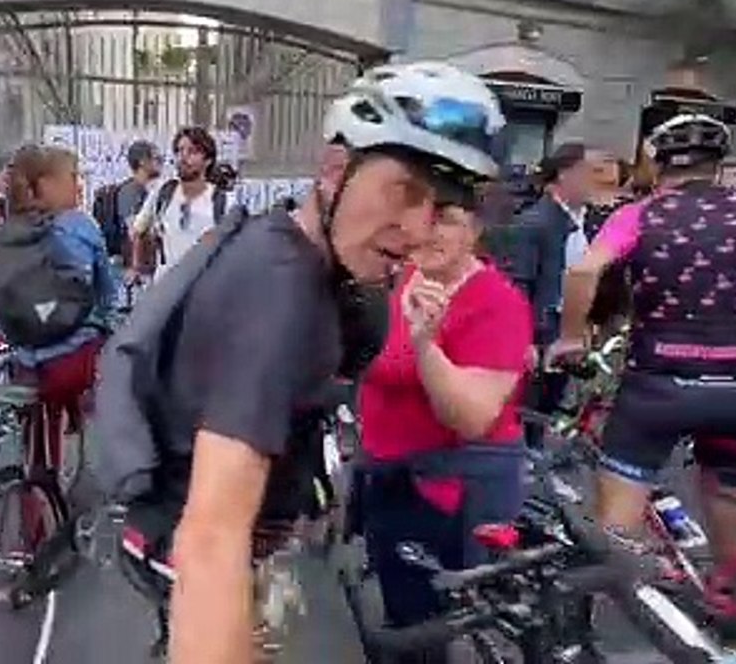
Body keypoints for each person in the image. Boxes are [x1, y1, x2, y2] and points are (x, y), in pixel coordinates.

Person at [117, 62, 506, 664]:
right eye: (404, 191)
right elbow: (212, 540)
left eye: (440, 208)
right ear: (333, 170)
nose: (416, 230)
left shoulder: (319, 262)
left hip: (224, 530)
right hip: (197, 543)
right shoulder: (282, 292)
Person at [552, 113, 736, 651]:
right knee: (728, 489)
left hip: (658, 380)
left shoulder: (640, 214)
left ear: (657, 162)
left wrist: (570, 339)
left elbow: (584, 272)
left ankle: (591, 628)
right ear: (719, 164)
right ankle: (731, 611)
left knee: (615, 528)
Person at [359, 187, 534, 662]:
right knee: (404, 612)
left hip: (454, 488)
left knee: (433, 626)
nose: (429, 231)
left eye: (448, 220)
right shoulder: (407, 276)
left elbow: (473, 417)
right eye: (422, 217)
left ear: (476, 231)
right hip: (392, 474)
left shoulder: (497, 303)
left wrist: (426, 346)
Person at [5, 146, 117, 469]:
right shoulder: (80, 225)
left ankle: (32, 495)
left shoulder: (13, 225)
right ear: (50, 183)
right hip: (70, 359)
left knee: (38, 432)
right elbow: (105, 293)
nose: (79, 184)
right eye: (73, 177)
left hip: (24, 357)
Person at [508, 143, 597, 447]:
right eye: (588, 173)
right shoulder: (537, 222)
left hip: (567, 322)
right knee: (533, 401)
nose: (593, 182)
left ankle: (537, 458)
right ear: (564, 175)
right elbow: (521, 281)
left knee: (551, 398)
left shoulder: (583, 219)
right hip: (545, 325)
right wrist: (525, 337)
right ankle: (527, 462)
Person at [130, 127, 230, 279]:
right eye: (179, 151)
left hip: (204, 292)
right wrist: (137, 268)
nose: (183, 157)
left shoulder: (222, 202)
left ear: (208, 160)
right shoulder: (163, 192)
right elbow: (138, 230)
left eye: (192, 152)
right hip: (165, 292)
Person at [93, 139, 160, 271]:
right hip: (130, 269)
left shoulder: (143, 191)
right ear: (143, 162)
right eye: (156, 159)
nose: (161, 163)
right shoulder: (131, 191)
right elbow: (133, 232)